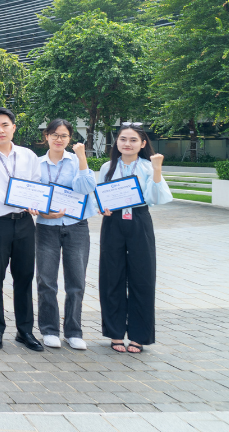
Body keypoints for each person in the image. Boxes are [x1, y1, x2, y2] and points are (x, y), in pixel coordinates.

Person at [0, 108, 44, 352]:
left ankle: (25, 331)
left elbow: (37, 185)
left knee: (24, 276)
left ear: (14, 127)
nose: (0, 130)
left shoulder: (28, 155)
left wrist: (35, 203)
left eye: (5, 125)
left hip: (24, 222)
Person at [98, 123, 171, 354]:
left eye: (132, 140)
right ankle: (115, 333)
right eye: (123, 139)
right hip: (113, 222)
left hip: (139, 220)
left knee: (143, 277)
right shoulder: (107, 167)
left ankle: (139, 336)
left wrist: (157, 169)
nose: (127, 144)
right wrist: (102, 207)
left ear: (143, 143)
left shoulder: (148, 167)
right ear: (116, 142)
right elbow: (100, 195)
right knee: (112, 276)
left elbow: (156, 198)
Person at [34, 119, 97, 350]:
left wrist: (82, 158)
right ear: (46, 136)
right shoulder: (37, 164)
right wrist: (42, 211)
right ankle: (49, 330)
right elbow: (32, 195)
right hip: (46, 226)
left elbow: (86, 187)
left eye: (63, 136)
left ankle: (73, 332)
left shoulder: (76, 161)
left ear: (70, 139)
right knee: (46, 280)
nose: (58, 139)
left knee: (76, 281)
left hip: (76, 226)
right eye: (54, 135)